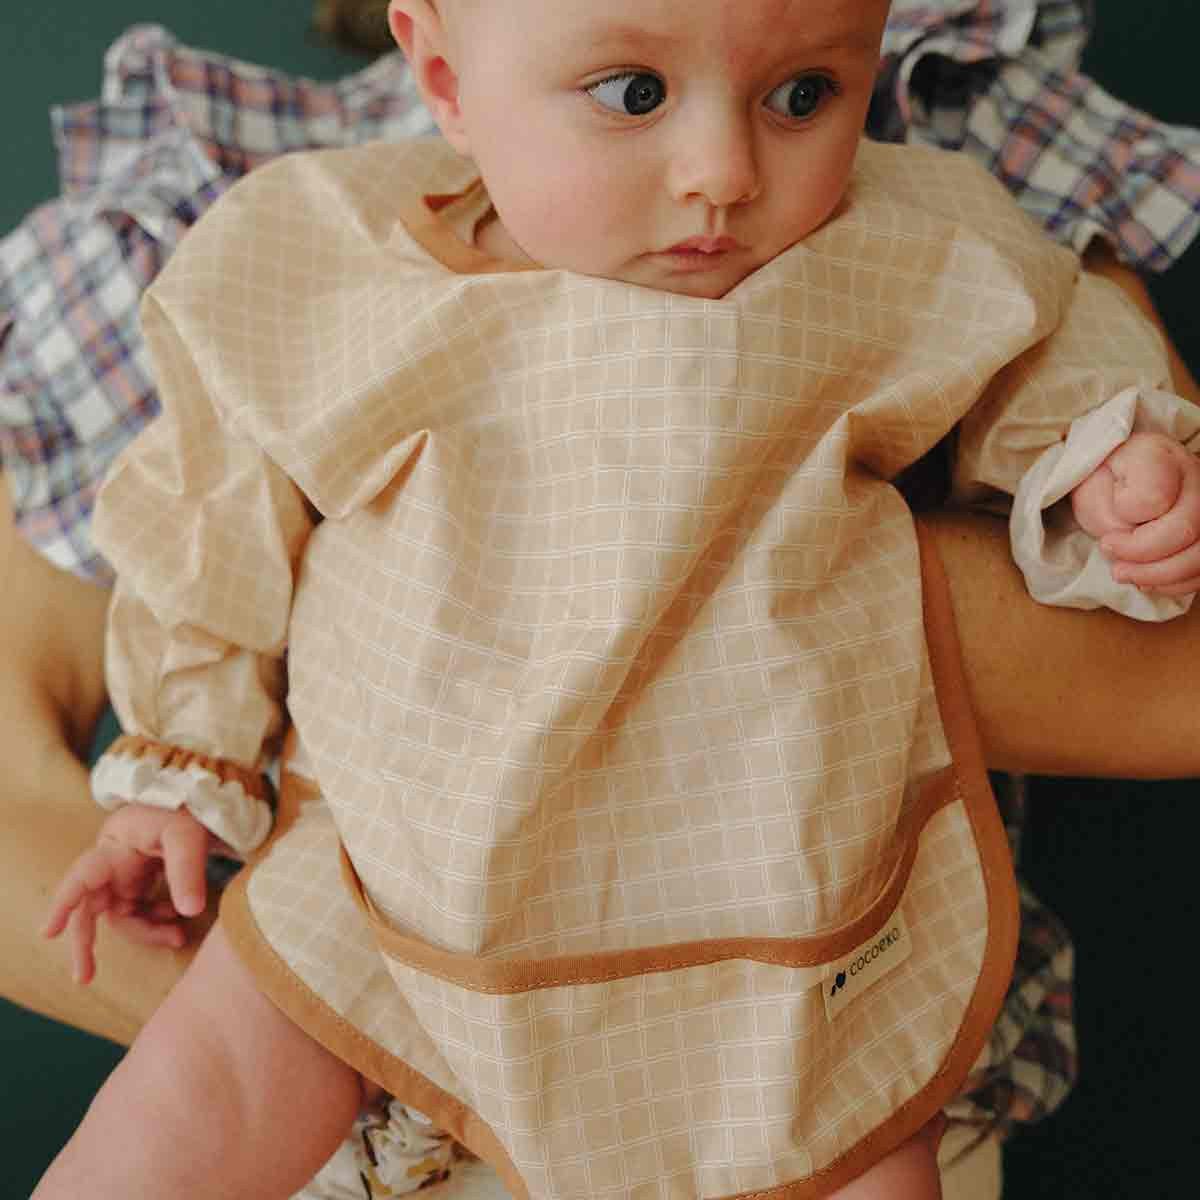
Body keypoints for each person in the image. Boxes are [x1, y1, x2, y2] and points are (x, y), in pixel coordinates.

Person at [21, 2, 1200, 1199]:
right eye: (633, 96)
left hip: (786, 887)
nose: (724, 176)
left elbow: (1046, 321)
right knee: (194, 1098)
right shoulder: (334, 261)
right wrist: (175, 775)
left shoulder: (896, 244)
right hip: (395, 878)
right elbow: (213, 520)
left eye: (803, 98)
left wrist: (1105, 463)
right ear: (443, 73)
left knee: (852, 1133)